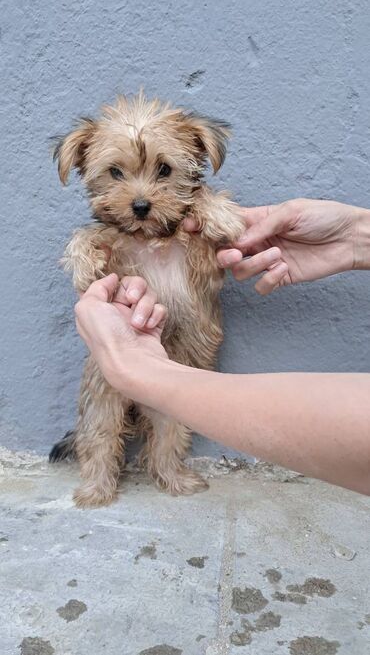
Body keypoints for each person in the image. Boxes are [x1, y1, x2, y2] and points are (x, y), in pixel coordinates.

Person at [73, 198, 370, 496]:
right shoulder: (105, 238)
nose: (140, 196)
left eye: (164, 171)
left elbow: (225, 224)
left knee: (174, 415)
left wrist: (212, 211)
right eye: (116, 172)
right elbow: (86, 268)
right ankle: (96, 482)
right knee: (101, 413)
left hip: (183, 349)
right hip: (120, 338)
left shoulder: (199, 222)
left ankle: (167, 470)